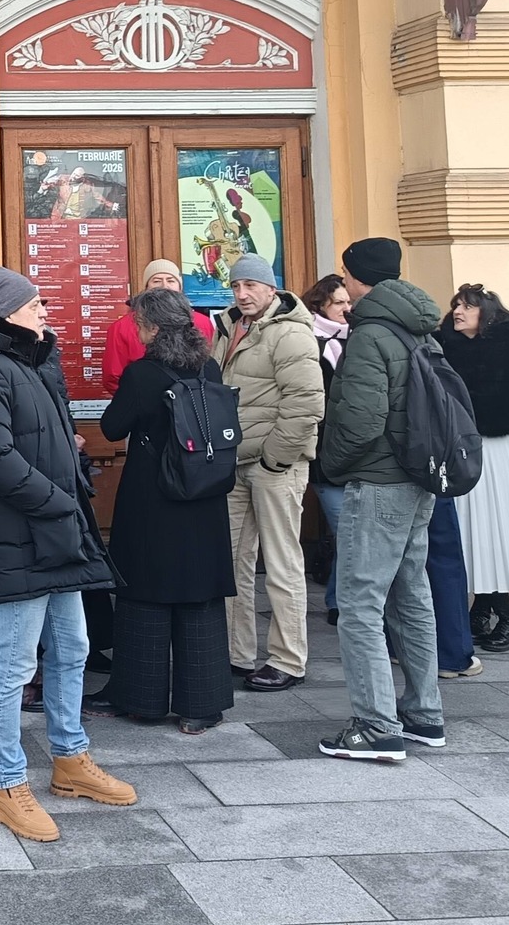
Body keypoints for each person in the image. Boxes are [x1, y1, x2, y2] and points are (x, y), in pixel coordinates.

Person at [0, 267, 133, 844]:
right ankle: (7, 785)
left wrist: (70, 490)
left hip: (55, 532)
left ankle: (70, 759)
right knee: (12, 665)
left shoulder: (28, 361)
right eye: (33, 307)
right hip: (22, 535)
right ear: (5, 313)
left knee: (73, 645)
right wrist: (56, 500)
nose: (44, 313)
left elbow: (49, 440)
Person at [316, 238, 446, 763]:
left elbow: (360, 418)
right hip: (418, 479)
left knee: (360, 604)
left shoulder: (370, 333)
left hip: (380, 482)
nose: (343, 284)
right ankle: (424, 713)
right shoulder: (422, 327)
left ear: (357, 277)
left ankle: (376, 727)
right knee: (411, 595)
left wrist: (332, 465)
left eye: (346, 275)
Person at [93, 288, 237, 733]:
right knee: (200, 597)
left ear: (153, 328)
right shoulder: (208, 365)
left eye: (139, 323)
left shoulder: (143, 374)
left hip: (154, 498)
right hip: (205, 495)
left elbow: (112, 425)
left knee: (146, 596)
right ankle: (202, 705)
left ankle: (141, 699)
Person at [212, 255, 324, 692]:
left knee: (281, 565)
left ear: (271, 289)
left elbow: (306, 405)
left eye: (251, 286)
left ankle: (288, 659)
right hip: (233, 463)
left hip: (276, 466)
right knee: (232, 562)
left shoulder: (292, 333)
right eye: (236, 286)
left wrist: (275, 458)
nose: (242, 294)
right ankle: (236, 654)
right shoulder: (226, 328)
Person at [439, 285, 509, 653]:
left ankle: (504, 617)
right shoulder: (441, 348)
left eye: (467, 307)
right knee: (470, 531)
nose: (458, 311)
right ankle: (481, 610)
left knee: (494, 530)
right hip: (456, 451)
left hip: (495, 451)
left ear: (485, 314)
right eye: (456, 305)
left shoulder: (508, 349)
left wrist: (474, 418)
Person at [303, 273, 351, 626]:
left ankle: (339, 600)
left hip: (355, 453)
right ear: (320, 305)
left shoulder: (358, 339)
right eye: (339, 303)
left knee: (350, 532)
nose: (346, 309)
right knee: (347, 528)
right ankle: (339, 601)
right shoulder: (307, 340)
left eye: (349, 302)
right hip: (321, 454)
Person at [100, 258, 217, 397]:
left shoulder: (203, 322)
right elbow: (113, 377)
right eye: (156, 281)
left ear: (180, 288)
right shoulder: (121, 327)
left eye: (171, 280)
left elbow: (209, 369)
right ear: (146, 288)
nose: (164, 286)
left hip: (191, 407)